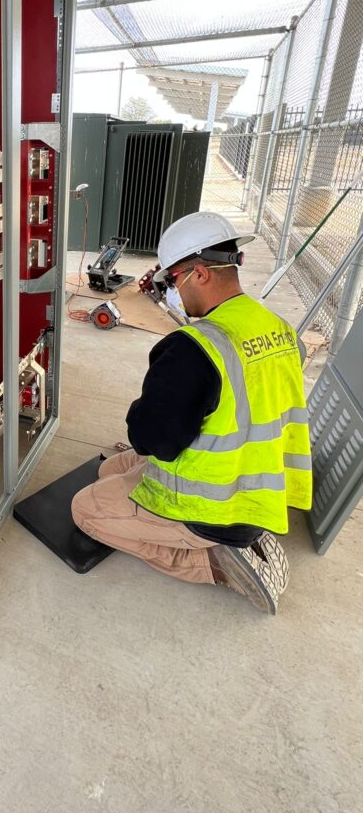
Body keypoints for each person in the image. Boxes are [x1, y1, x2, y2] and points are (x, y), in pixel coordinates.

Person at [71, 211, 312, 614]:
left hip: (211, 509)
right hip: (258, 489)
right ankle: (245, 536)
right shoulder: (279, 327)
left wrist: (148, 405)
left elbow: (153, 440)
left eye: (171, 281)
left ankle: (210, 561)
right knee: (109, 470)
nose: (171, 293)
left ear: (199, 274)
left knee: (86, 508)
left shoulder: (195, 348)